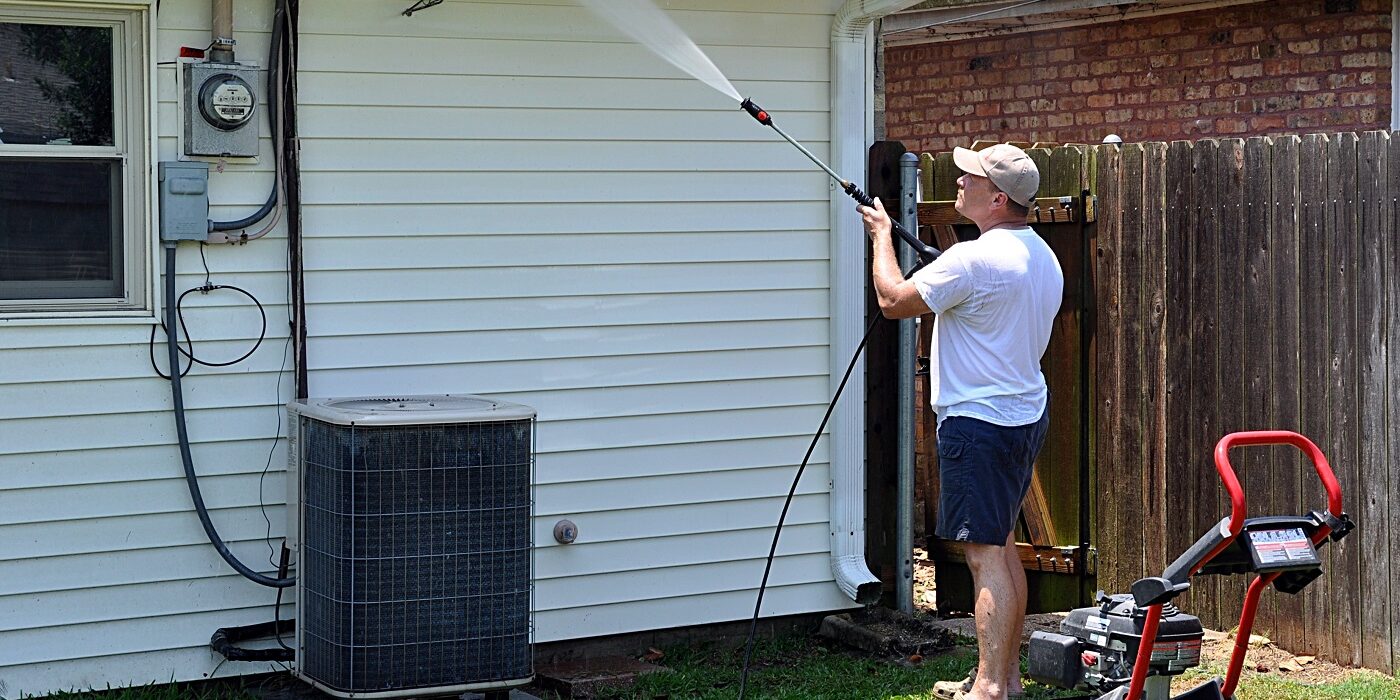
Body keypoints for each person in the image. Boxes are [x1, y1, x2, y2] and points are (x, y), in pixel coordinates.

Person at [858, 144, 1063, 700]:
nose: (959, 180)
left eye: (969, 177)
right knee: (1001, 546)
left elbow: (894, 299)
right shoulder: (1042, 254)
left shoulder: (974, 258)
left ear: (997, 198)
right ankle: (1007, 680)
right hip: (1023, 417)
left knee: (983, 555)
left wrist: (881, 236)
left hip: (979, 424)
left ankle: (991, 688)